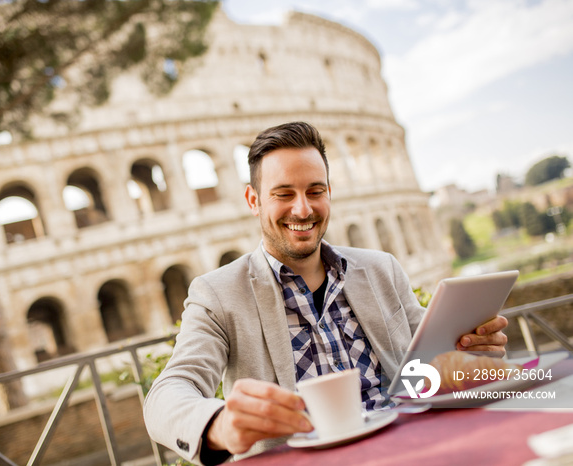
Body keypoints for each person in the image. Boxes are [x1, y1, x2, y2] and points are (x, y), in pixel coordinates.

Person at [143, 121, 508, 465]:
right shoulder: (217, 294)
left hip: (417, 452)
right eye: (283, 194)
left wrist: (469, 353)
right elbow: (166, 396)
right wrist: (218, 424)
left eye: (315, 192)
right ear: (253, 201)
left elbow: (427, 366)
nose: (303, 209)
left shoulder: (382, 269)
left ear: (329, 194)